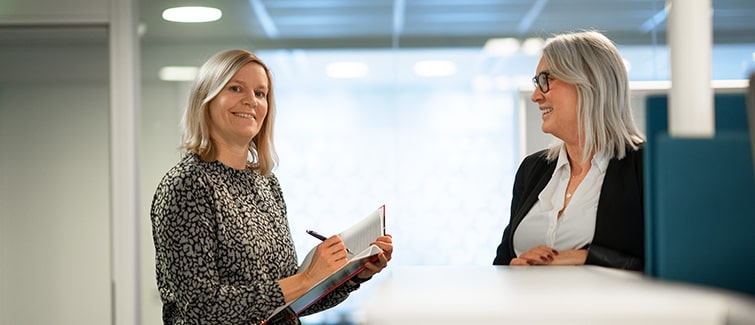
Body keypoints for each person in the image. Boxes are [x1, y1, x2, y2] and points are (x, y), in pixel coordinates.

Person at [150, 49, 393, 325]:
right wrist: (306, 278)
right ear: (207, 99)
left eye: (260, 94)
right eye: (235, 88)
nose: (250, 101)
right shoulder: (187, 185)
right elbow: (202, 305)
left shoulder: (266, 183)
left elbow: (289, 302)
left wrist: (353, 273)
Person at [493, 30, 645, 271]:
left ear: (588, 83)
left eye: (545, 80)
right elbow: (502, 260)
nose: (535, 96)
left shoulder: (645, 165)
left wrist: (587, 258)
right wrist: (516, 264)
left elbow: (666, 261)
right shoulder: (532, 170)